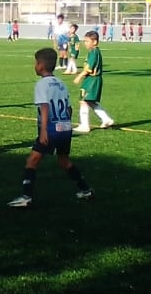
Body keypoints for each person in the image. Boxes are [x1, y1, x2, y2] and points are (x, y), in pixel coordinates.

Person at [8, 47, 93, 208]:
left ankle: (26, 197)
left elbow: (44, 107)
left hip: (51, 129)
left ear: (40, 65)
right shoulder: (61, 83)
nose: (35, 66)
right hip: (65, 127)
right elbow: (69, 108)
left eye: (35, 63)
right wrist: (66, 124)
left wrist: (43, 131)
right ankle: (86, 189)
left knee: (32, 161)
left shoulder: (42, 84)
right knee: (63, 160)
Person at [73, 30, 116, 132]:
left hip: (92, 79)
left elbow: (89, 69)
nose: (85, 43)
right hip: (92, 79)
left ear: (95, 42)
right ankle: (106, 119)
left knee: (83, 101)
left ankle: (84, 125)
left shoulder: (94, 52)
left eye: (87, 41)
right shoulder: (94, 52)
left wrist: (79, 76)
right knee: (90, 102)